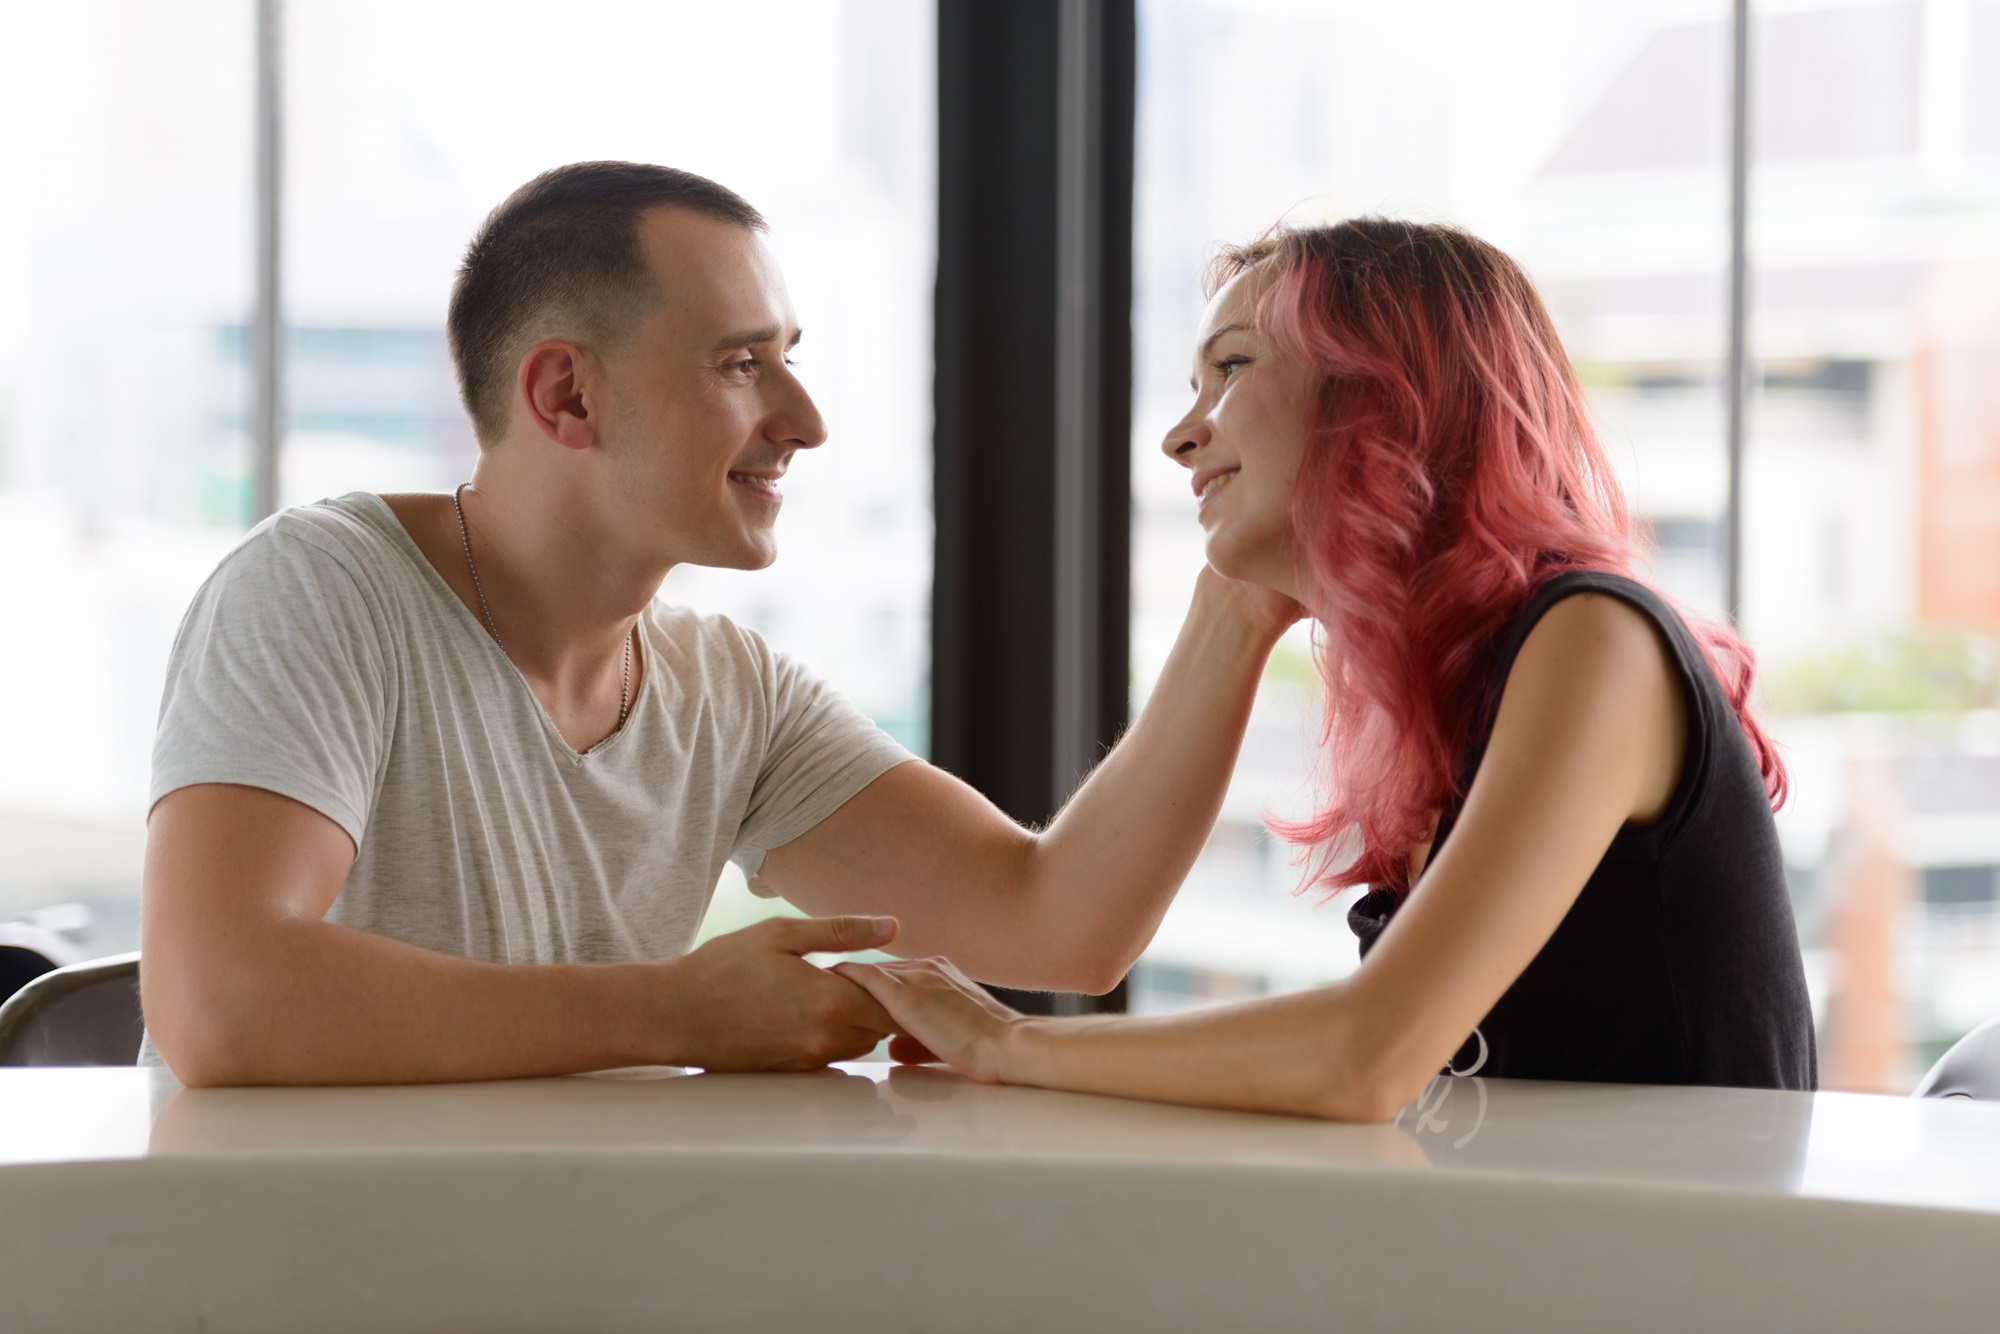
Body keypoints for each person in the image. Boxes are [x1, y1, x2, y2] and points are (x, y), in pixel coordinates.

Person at [139, 161, 1297, 1087]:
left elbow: (1061, 924)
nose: (804, 420)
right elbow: (219, 1000)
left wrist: (1239, 602)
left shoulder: (724, 688)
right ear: (566, 395)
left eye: (788, 360)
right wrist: (678, 1007)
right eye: (743, 363)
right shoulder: (321, 588)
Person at [836, 218, 1819, 1121]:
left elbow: (1364, 1056)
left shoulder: (1592, 639)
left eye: (1228, 370)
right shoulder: (1459, 690)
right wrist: (1242, 593)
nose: (1179, 435)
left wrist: (1004, 1039)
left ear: (1378, 396)